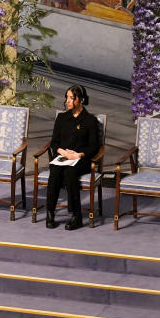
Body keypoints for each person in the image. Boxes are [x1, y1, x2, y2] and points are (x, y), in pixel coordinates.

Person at [44, 85, 100, 230]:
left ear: (80, 100)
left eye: (71, 98)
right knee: (55, 171)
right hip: (63, 157)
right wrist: (63, 152)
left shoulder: (90, 120)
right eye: (66, 97)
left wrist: (79, 154)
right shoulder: (62, 118)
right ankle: (50, 213)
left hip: (82, 160)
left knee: (70, 172)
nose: (67, 101)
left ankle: (76, 216)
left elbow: (94, 146)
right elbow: (54, 142)